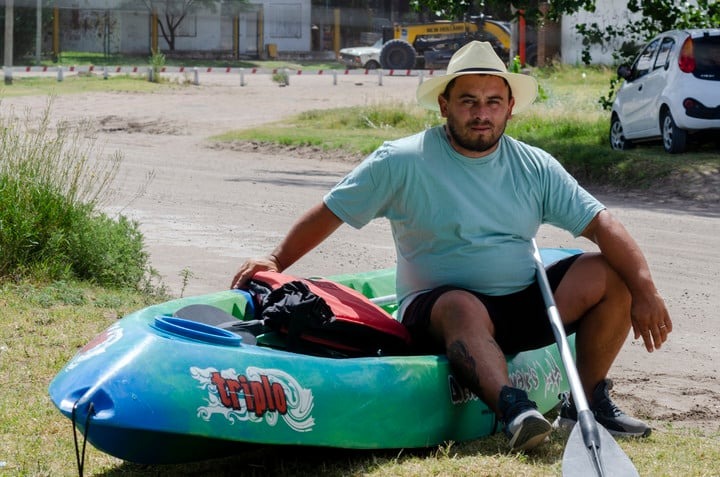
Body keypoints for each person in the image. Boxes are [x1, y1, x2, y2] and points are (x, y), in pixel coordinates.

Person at [231, 41, 672, 451]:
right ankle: (516, 412)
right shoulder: (402, 160)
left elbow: (603, 223)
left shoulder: (534, 165)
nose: (482, 113)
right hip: (438, 309)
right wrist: (274, 261)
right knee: (462, 305)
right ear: (444, 104)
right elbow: (331, 211)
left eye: (493, 102)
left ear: (510, 108)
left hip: (520, 303)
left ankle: (586, 405)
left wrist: (645, 290)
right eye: (468, 101)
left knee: (612, 272)